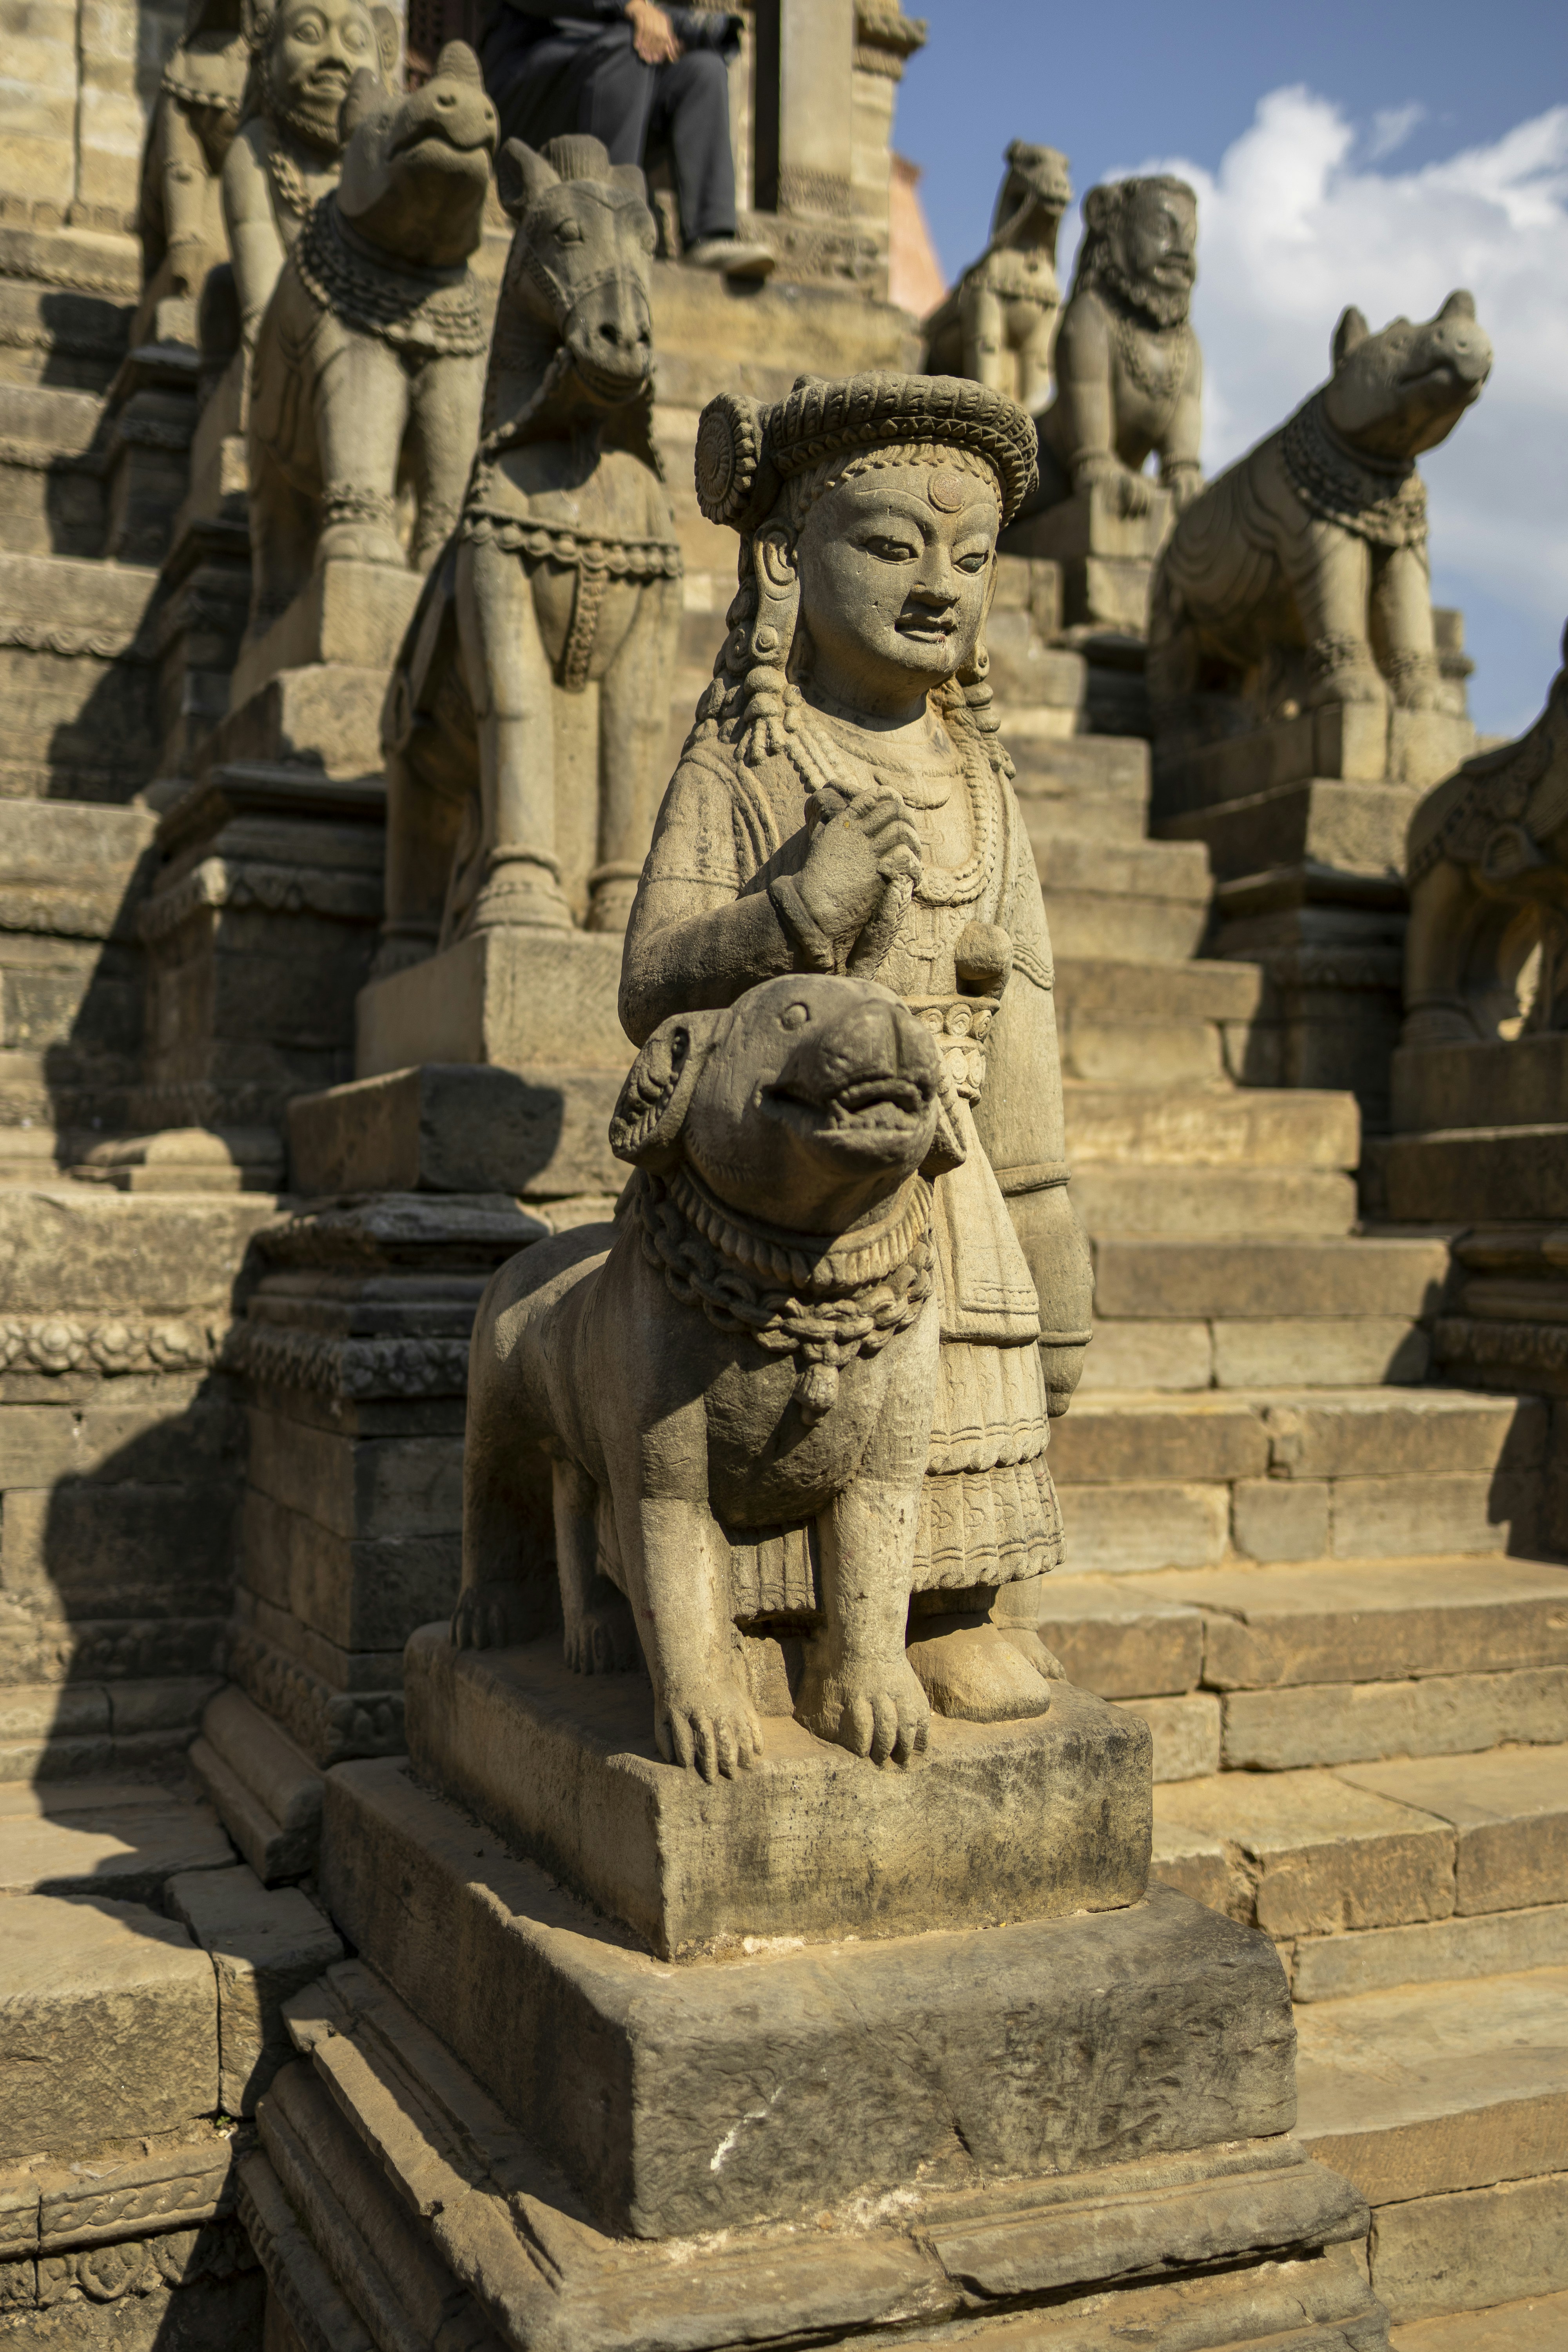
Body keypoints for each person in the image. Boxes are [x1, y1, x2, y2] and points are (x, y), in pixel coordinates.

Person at [617, 370, 1096, 1723]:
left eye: (973, 558)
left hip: (956, 1166)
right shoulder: (742, 763)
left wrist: (1051, 1220)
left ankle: (944, 1603)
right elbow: (649, 982)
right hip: (789, 1178)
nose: (939, 584)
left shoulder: (983, 781)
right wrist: (791, 911)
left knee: (960, 1396)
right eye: (892, 545)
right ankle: (784, 1616)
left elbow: (1027, 1016)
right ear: (783, 561)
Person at [479, 0, 773, 276]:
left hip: (610, 85)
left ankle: (708, 237)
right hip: (525, 97)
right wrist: (629, 7)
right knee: (631, 43)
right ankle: (612, 226)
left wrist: (674, 33)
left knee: (703, 70)